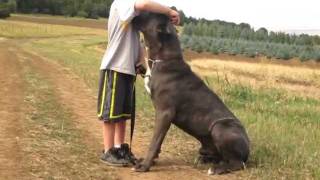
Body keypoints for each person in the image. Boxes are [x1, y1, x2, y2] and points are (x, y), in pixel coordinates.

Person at [97, 0, 180, 166]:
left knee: (122, 114)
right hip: (115, 67)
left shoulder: (132, 14)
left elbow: (136, 41)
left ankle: (120, 148)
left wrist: (141, 64)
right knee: (111, 113)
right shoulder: (121, 3)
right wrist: (168, 11)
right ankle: (108, 151)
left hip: (128, 68)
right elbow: (144, 5)